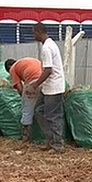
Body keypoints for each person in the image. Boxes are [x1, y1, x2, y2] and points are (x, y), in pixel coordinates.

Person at [27, 23, 66, 153]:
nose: (34, 36)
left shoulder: (47, 48)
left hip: (53, 87)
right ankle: (51, 140)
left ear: (39, 31)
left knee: (52, 116)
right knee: (39, 110)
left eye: (34, 33)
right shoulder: (50, 44)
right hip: (49, 87)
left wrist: (34, 85)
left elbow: (48, 70)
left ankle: (58, 145)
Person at [4, 57, 43, 143]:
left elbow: (19, 86)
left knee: (27, 109)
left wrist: (24, 98)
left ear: (9, 67)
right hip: (45, 79)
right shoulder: (26, 60)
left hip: (33, 82)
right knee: (43, 108)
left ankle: (26, 137)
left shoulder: (13, 68)